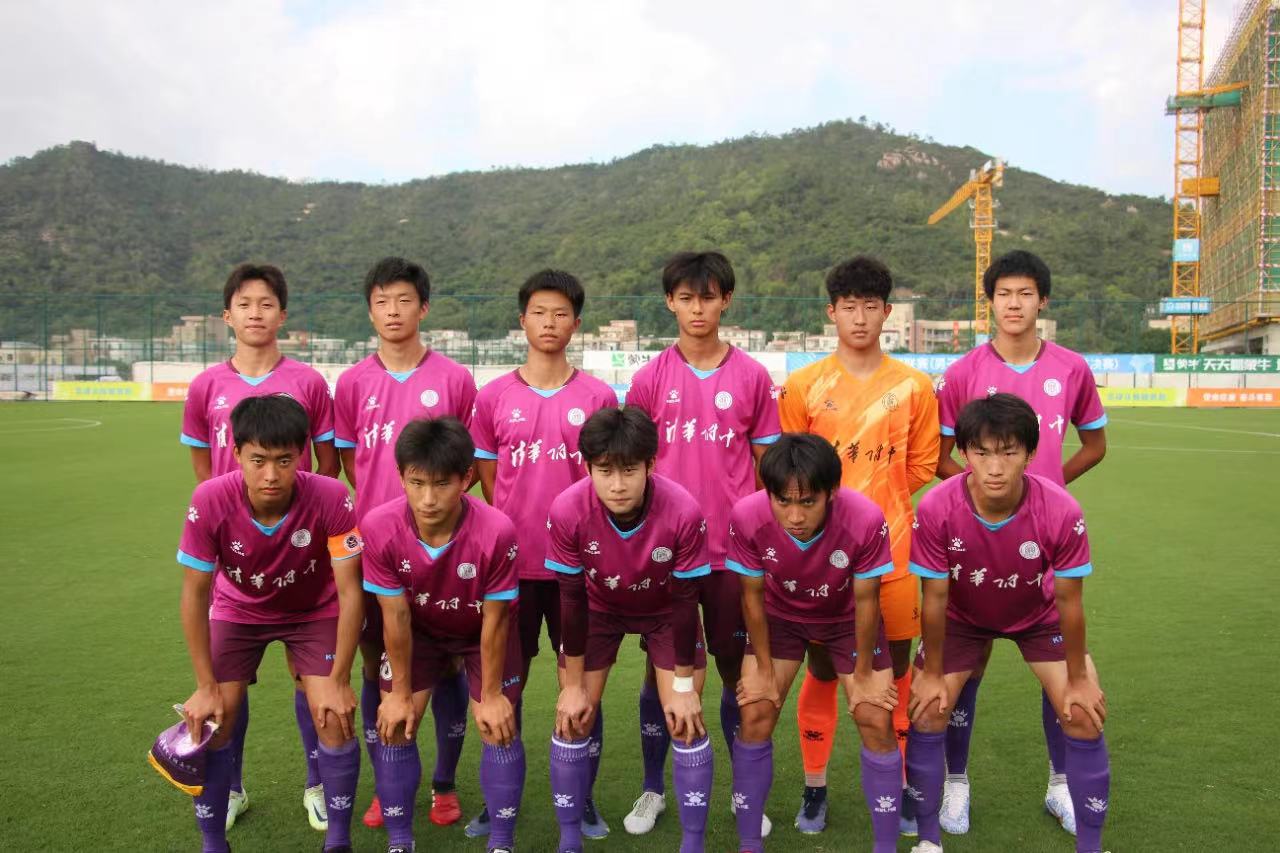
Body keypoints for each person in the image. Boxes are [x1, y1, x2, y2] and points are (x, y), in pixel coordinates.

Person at [933, 250, 1107, 836]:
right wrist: (981, 495)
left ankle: (1061, 784)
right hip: (975, 545)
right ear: (990, 301)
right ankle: (955, 784)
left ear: (1043, 300)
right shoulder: (962, 372)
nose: (1014, 303)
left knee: (1057, 667)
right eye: (1004, 293)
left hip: (1044, 543)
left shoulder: (1072, 368)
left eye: (1025, 293)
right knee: (966, 665)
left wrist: (1047, 492)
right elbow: (940, 456)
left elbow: (1095, 445)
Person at [905, 393, 1109, 853]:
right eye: (981, 453)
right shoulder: (936, 507)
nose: (995, 468)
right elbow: (934, 597)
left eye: (1008, 452)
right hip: (961, 618)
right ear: (963, 453)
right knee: (928, 708)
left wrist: (1079, 678)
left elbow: (1069, 600)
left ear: (1031, 453)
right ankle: (930, 837)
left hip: (1036, 616)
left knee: (1082, 713)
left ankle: (1090, 844)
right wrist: (932, 673)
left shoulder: (1061, 510)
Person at [779, 255, 938, 834]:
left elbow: (921, 465)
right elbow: (791, 472)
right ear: (832, 313)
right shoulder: (803, 386)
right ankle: (815, 785)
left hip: (893, 554)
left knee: (894, 673)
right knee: (823, 668)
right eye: (850, 307)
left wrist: (874, 510)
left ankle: (898, 783)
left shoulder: (915, 386)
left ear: (887, 312)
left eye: (872, 306)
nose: (861, 317)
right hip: (819, 560)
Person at [624, 250, 781, 836]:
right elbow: (631, 471)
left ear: (726, 301)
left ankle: (744, 793)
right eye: (686, 298)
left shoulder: (752, 377)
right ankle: (651, 788)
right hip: (666, 558)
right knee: (663, 671)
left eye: (708, 297)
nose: (697, 308)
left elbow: (768, 472)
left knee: (736, 670)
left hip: (731, 556)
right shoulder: (648, 380)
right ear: (670, 301)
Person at [179, 262, 339, 831]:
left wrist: (301, 526)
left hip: (300, 553)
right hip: (238, 558)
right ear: (227, 315)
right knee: (228, 688)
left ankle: (317, 784)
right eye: (244, 304)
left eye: (266, 303)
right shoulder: (206, 386)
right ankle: (231, 788)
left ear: (283, 315)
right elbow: (204, 473)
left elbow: (327, 465)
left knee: (309, 676)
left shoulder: (309, 382)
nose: (255, 313)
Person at [175, 394, 364, 853]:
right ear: (236, 452)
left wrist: (340, 680)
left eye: (284, 460)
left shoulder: (332, 496)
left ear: (301, 454)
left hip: (313, 611)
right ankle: (213, 843)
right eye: (258, 460)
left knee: (334, 717)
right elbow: (195, 594)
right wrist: (204, 686)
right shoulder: (210, 499)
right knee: (214, 718)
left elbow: (351, 592)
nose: (271, 475)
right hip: (239, 611)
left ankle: (338, 841)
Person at [469, 269, 618, 837]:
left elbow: (608, 480)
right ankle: (498, 798)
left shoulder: (598, 397)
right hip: (511, 571)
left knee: (579, 686)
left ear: (576, 323)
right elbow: (490, 481)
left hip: (579, 570)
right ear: (522, 320)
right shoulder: (493, 397)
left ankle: (582, 798)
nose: (549, 323)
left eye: (560, 314)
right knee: (503, 687)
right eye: (538, 312)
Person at [332, 257, 478, 830]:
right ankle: (387, 783)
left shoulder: (455, 379)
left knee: (448, 664)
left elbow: (466, 464)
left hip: (444, 548)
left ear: (424, 307)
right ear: (369, 311)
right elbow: (351, 463)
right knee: (377, 666)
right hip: (376, 548)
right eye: (381, 301)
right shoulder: (352, 383)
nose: (393, 312)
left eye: (403, 300)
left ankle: (444, 783)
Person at [546, 406, 713, 853]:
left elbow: (686, 601)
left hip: (666, 609)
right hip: (598, 608)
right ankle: (569, 840)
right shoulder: (567, 510)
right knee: (574, 717)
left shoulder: (683, 511)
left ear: (651, 465)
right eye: (605, 471)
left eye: (629, 471)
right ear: (587, 468)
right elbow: (571, 600)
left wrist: (683, 687)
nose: (617, 485)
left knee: (685, 719)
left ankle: (691, 842)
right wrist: (573, 686)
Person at [729, 434, 902, 853]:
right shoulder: (747, 515)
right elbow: (751, 596)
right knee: (755, 712)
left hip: (846, 619)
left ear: (832, 491)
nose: (794, 516)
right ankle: (749, 844)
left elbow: (867, 601)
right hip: (780, 618)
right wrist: (764, 671)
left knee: (875, 717)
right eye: (783, 501)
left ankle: (885, 846)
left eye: (808, 502)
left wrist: (863, 674)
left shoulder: (865, 518)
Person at [360, 417, 526, 853]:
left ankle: (501, 843)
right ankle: (400, 842)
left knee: (498, 725)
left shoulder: (497, 530)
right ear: (401, 476)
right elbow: (395, 617)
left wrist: (492, 694)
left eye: (441, 484)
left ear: (466, 478)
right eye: (416, 483)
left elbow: (495, 620)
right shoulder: (378, 526)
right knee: (396, 725)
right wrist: (398, 693)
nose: (428, 499)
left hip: (479, 633)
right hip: (418, 635)